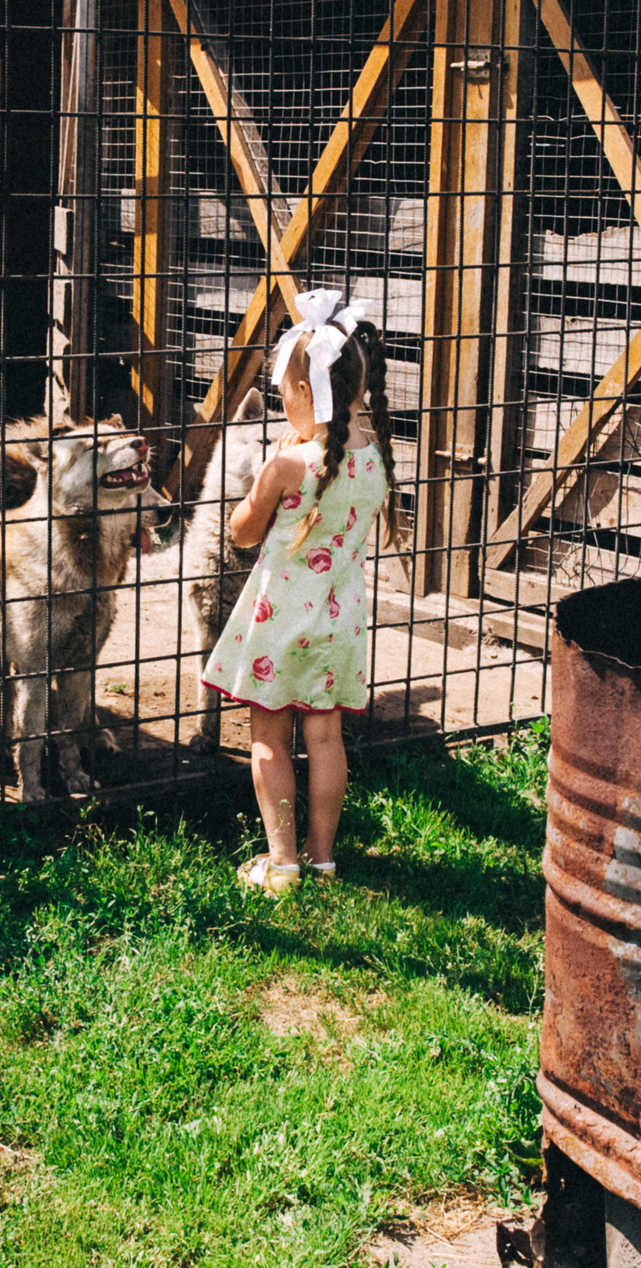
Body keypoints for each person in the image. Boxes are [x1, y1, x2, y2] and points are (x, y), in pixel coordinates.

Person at [198, 290, 400, 896]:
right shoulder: (376, 462)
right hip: (339, 626)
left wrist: (268, 477)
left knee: (268, 740)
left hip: (277, 623)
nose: (282, 405)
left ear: (307, 394)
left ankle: (281, 863)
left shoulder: (289, 466)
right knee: (326, 738)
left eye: (284, 394)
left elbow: (240, 533)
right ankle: (323, 858)